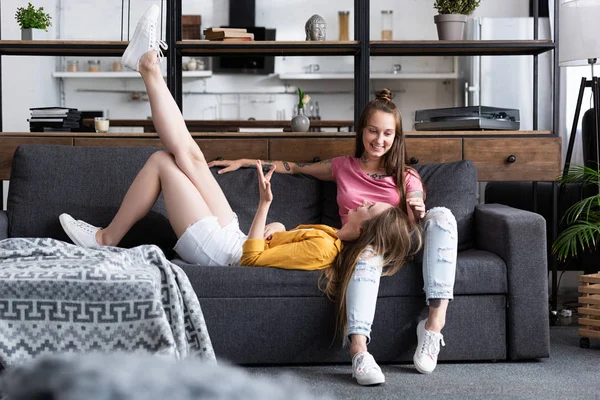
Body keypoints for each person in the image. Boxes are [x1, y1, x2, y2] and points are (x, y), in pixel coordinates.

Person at [59, 8, 419, 288]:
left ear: (362, 230)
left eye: (368, 208)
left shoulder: (329, 247)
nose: (365, 202)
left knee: (162, 161)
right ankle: (147, 64)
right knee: (191, 156)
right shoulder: (329, 233)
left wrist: (264, 207)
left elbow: (250, 263)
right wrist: (268, 208)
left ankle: (106, 238)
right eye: (373, 131)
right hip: (232, 236)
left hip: (224, 254)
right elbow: (287, 194)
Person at [209, 89, 458, 384]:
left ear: (396, 137)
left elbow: (416, 198)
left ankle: (433, 326)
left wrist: (416, 207)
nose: (380, 140)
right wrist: (248, 162)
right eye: (373, 131)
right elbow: (293, 167)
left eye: (388, 134)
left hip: (402, 240)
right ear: (362, 131)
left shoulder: (406, 175)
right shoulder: (343, 167)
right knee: (366, 255)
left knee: (442, 215)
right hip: (365, 245)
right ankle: (359, 351)